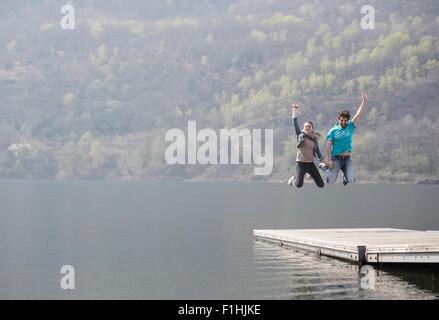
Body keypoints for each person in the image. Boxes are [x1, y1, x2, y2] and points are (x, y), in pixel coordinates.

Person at [325, 90, 367, 185]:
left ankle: (345, 177)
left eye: (345, 121)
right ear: (338, 119)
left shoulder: (350, 126)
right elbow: (328, 147)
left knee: (351, 180)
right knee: (330, 182)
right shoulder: (333, 131)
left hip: (347, 158)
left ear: (348, 120)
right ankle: (324, 168)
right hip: (336, 158)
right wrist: (329, 160)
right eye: (342, 120)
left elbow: (358, 114)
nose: (343, 122)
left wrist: (364, 101)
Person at [287, 102, 328, 188]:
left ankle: (310, 175)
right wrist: (294, 109)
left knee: (321, 185)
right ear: (303, 128)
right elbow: (294, 122)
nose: (307, 128)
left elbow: (318, 153)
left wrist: (326, 162)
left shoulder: (314, 139)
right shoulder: (300, 135)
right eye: (306, 126)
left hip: (310, 164)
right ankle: (292, 180)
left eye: (309, 126)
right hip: (300, 164)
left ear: (312, 128)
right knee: (299, 185)